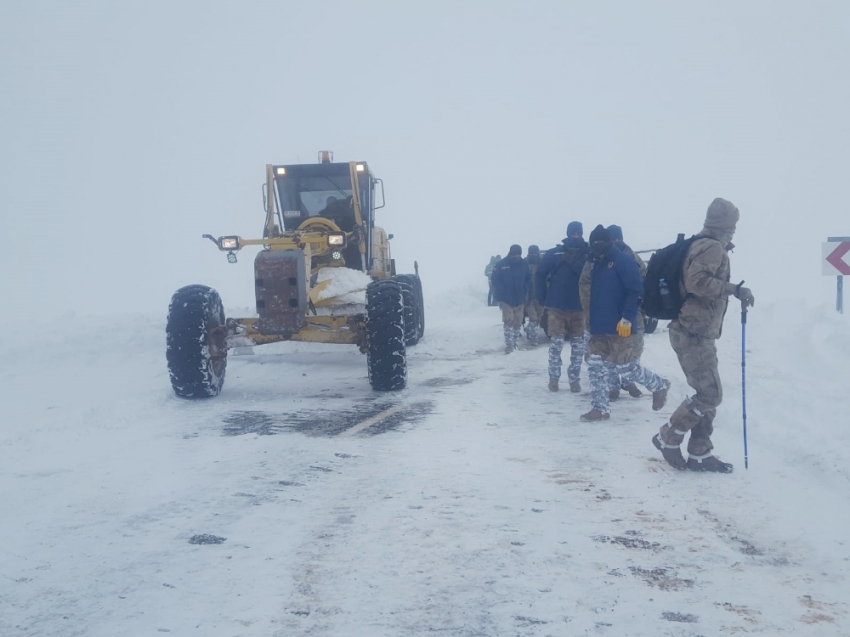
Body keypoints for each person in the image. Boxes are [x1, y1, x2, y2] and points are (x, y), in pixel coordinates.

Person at [652, 198, 754, 473]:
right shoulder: (711, 247)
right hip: (693, 331)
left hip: (696, 330)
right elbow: (696, 282)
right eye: (733, 224)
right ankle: (668, 436)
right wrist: (734, 289)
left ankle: (700, 452)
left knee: (707, 390)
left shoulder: (703, 243)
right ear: (727, 225)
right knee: (710, 394)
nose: (734, 230)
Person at [579, 225, 670, 422]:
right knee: (595, 364)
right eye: (593, 243)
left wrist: (627, 317)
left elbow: (635, 290)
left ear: (609, 242)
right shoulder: (595, 263)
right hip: (598, 325)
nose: (596, 247)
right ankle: (600, 408)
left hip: (620, 324)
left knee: (625, 367)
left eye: (600, 243)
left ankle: (659, 385)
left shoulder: (623, 261)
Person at [535, 222, 589, 392]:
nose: (575, 237)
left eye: (578, 234)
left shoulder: (588, 253)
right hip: (556, 307)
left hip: (579, 308)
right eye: (572, 234)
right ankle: (554, 378)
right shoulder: (554, 253)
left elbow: (589, 275)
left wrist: (572, 262)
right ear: (567, 234)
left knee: (578, 347)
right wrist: (542, 298)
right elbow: (540, 275)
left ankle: (574, 379)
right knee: (556, 345)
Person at [607, 224, 647, 400]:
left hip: (634, 310)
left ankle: (629, 380)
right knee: (612, 349)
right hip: (611, 310)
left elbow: (645, 281)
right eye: (613, 239)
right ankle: (613, 385)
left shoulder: (634, 258)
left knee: (636, 347)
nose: (617, 242)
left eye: (619, 238)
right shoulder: (602, 259)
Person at [491, 245, 531, 354]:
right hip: (505, 299)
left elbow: (528, 278)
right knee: (508, 320)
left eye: (518, 254)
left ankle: (515, 343)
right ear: (510, 253)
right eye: (514, 254)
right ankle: (509, 345)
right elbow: (495, 279)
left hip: (519, 298)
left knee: (518, 321)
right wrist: (502, 291)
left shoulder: (523, 264)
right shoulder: (501, 264)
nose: (516, 256)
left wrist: (524, 289)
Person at [523, 245, 544, 346]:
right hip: (528, 296)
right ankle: (533, 338)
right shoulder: (524, 263)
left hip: (540, 296)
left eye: (535, 253)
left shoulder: (543, 263)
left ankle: (529, 330)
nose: (534, 255)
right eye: (532, 253)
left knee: (538, 318)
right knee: (533, 317)